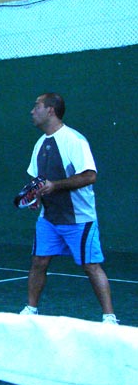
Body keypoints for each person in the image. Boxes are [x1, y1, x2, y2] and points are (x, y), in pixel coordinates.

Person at [19, 93, 117, 324]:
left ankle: (110, 317)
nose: (32, 111)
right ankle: (31, 310)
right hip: (49, 218)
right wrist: (36, 197)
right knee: (39, 261)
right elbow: (38, 180)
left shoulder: (74, 140)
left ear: (50, 110)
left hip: (79, 219)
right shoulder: (39, 144)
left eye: (36, 106)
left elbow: (90, 176)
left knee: (91, 266)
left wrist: (55, 186)